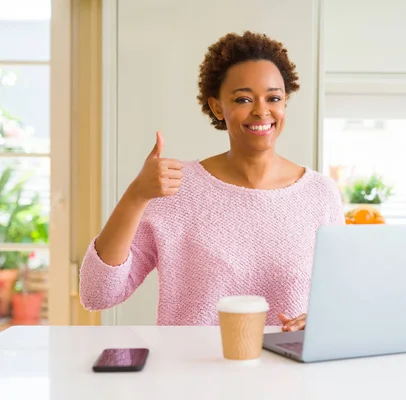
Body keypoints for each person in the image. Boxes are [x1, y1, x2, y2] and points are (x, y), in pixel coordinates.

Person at [79, 31, 345, 332]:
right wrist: (136, 196)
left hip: (290, 374)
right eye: (243, 99)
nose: (261, 110)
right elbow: (98, 294)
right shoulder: (176, 188)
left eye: (274, 98)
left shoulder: (320, 194)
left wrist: (321, 319)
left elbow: (339, 299)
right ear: (218, 107)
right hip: (190, 373)